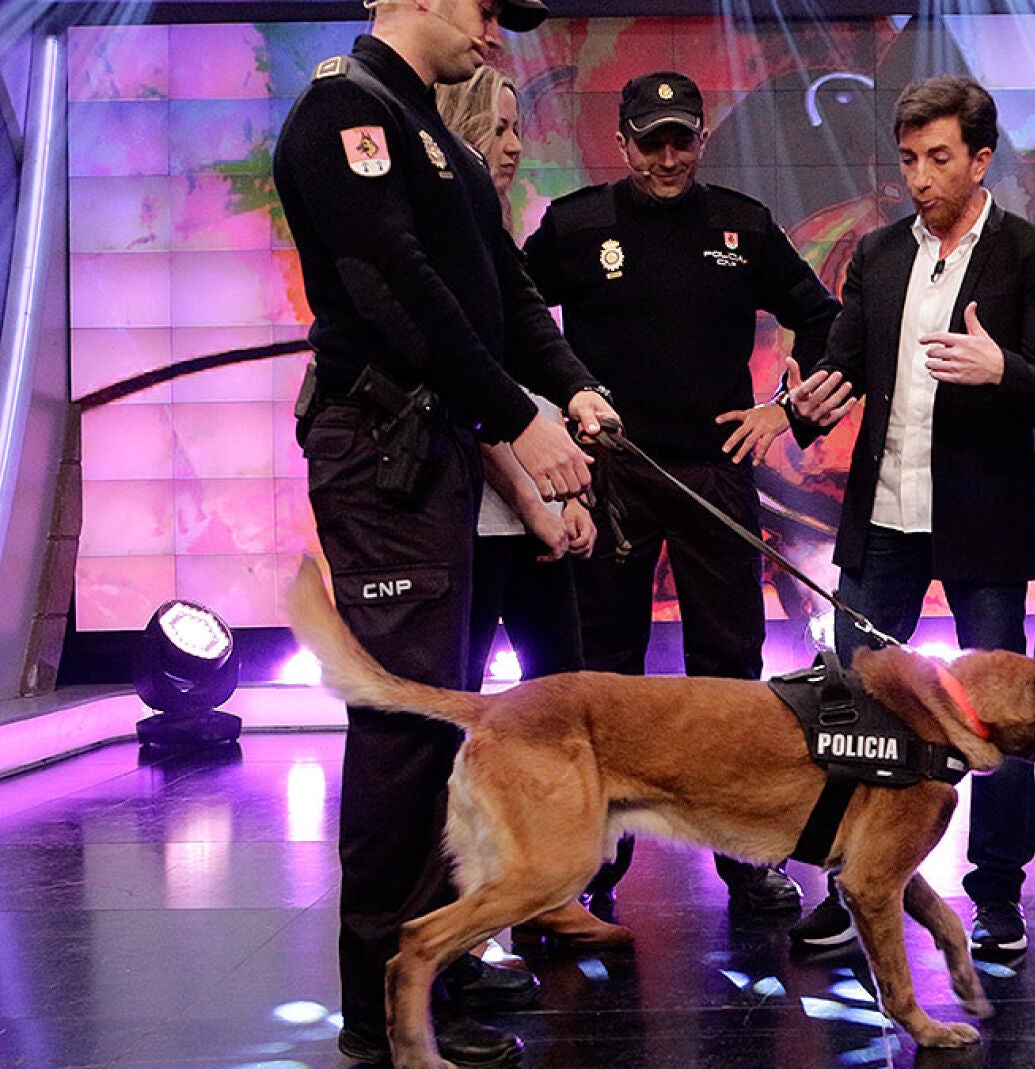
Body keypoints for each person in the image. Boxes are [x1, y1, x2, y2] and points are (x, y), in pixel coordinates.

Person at [272, 0, 619, 1064]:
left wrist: (571, 385)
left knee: (445, 721)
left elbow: (503, 295)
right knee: (404, 728)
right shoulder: (346, 113)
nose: (496, 28)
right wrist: (519, 416)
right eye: (483, 7)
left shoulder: (429, 136)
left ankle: (439, 972)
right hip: (385, 453)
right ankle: (381, 1017)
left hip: (433, 455)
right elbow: (399, 294)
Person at [521, 70, 842, 914]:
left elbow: (827, 317)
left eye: (682, 139)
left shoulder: (741, 224)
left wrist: (783, 412)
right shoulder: (576, 225)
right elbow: (513, 321)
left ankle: (745, 854)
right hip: (611, 475)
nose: (667, 156)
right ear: (623, 141)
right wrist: (558, 415)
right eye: (651, 140)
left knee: (730, 669)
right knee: (606, 669)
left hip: (712, 474)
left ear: (701, 140)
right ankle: (591, 864)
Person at [785, 75, 1035, 960]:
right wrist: (799, 405)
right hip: (884, 517)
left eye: (938, 157)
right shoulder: (876, 256)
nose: (920, 176)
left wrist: (1002, 370)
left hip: (983, 517)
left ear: (981, 159)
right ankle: (844, 884)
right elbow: (837, 366)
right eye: (909, 158)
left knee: (1004, 713)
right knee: (849, 704)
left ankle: (998, 893)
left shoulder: (1034, 253)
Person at [435, 64, 634, 951]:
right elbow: (466, 393)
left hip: (536, 518)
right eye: (503, 127)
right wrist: (535, 494)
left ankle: (551, 884)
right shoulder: (440, 237)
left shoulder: (498, 239)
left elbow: (529, 374)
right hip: (474, 523)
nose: (517, 145)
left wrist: (573, 490)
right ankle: (473, 916)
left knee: (562, 701)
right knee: (467, 710)